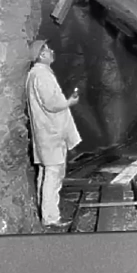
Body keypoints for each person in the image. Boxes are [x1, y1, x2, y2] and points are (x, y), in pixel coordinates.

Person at [25, 39, 81, 228]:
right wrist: (69, 102)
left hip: (46, 133)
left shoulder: (36, 74)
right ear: (41, 55)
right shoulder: (41, 75)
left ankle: (47, 214)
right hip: (51, 133)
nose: (51, 50)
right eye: (48, 49)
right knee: (53, 174)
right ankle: (50, 219)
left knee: (45, 172)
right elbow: (51, 104)